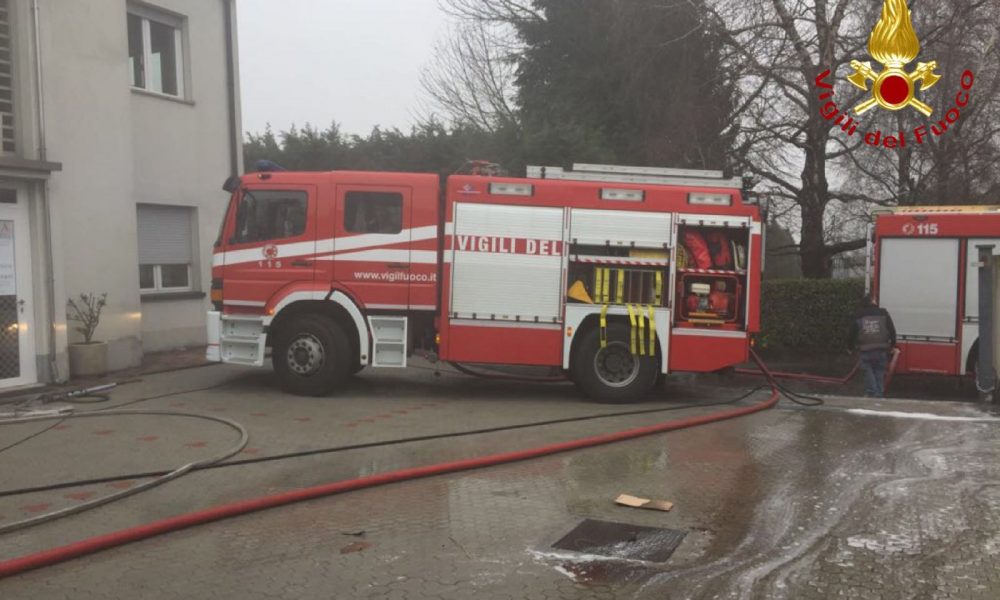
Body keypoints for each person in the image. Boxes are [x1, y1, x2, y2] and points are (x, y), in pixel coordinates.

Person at [849, 295, 897, 397]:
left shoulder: (858, 315)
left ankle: (873, 393)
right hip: (881, 348)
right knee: (879, 372)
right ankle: (878, 394)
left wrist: (850, 347)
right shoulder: (883, 313)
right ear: (873, 301)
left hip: (866, 350)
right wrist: (892, 344)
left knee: (867, 371)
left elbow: (852, 333)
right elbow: (892, 330)